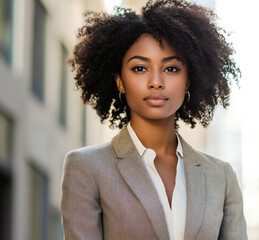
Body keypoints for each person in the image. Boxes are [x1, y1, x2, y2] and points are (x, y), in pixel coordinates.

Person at [60, 0, 247, 239]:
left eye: (171, 69)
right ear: (119, 81)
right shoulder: (86, 168)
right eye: (140, 68)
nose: (156, 81)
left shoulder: (221, 176)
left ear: (188, 80)